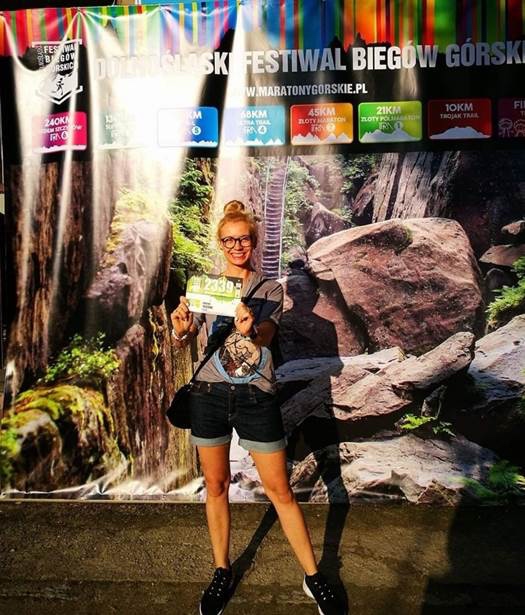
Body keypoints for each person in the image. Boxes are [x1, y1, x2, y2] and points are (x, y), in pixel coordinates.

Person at [171, 200, 345, 615]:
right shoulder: (205, 288)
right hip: (209, 394)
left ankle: (313, 576)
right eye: (229, 240)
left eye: (243, 239)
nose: (236, 246)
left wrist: (250, 330)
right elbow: (190, 336)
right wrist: (180, 331)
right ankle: (222, 571)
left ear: (253, 241)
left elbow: (265, 336)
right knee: (216, 486)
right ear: (220, 243)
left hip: (255, 394)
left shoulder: (270, 289)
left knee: (280, 490)